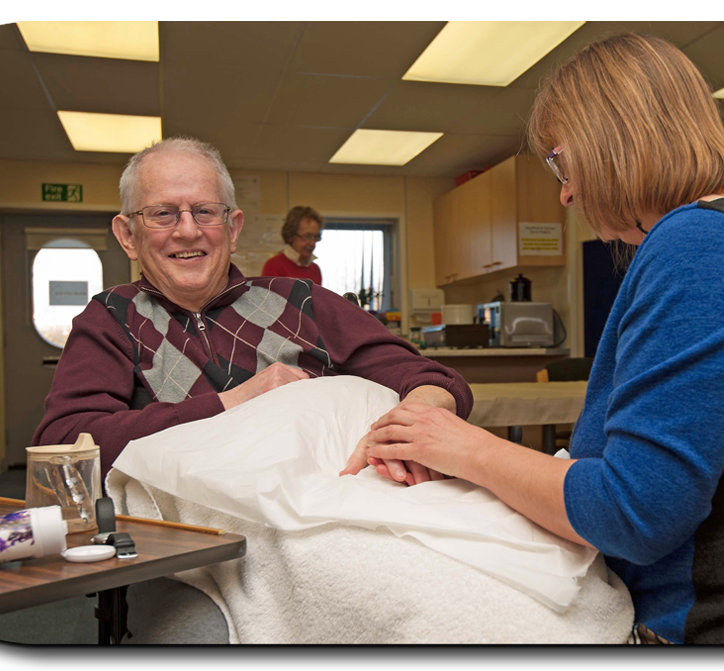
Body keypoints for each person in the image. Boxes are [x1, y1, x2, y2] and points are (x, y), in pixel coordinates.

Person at [342, 33, 724, 644]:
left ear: (613, 140)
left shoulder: (701, 247)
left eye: (561, 161)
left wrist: (464, 447)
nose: (566, 192)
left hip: (722, 622)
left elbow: (633, 510)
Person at [33, 137, 471, 486]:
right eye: (162, 214)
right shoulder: (110, 319)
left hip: (342, 505)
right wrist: (234, 402)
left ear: (233, 227)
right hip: (200, 547)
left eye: (205, 211)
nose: (188, 231)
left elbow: (433, 379)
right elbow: (64, 444)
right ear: (128, 235)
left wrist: (416, 423)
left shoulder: (304, 299)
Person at [261, 206, 323, 284]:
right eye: (307, 236)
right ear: (291, 236)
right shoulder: (274, 266)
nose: (312, 243)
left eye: (316, 237)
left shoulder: (315, 269)